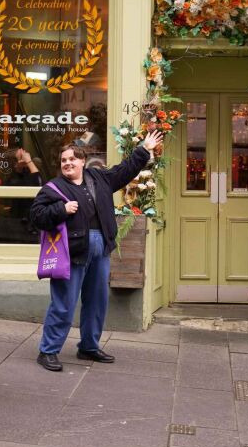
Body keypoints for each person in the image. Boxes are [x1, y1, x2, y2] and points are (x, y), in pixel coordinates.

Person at [29, 129, 162, 372]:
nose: (67, 163)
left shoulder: (99, 178)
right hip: (72, 251)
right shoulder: (53, 188)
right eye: (63, 161)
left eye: (72, 159)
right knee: (64, 303)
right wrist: (61, 210)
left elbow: (125, 170)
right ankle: (48, 350)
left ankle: (88, 346)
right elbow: (36, 216)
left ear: (82, 161)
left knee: (97, 301)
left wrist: (144, 149)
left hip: (101, 247)